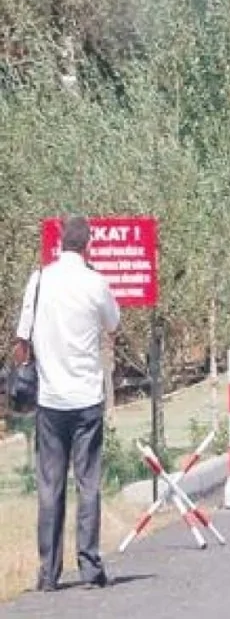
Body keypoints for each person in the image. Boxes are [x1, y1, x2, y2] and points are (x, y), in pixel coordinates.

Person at [12, 216, 120, 592]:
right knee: (87, 482)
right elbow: (113, 323)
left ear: (60, 243)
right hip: (87, 398)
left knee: (50, 483)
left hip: (51, 398)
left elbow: (21, 339)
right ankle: (89, 566)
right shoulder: (95, 283)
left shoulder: (39, 280)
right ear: (87, 245)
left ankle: (49, 572)